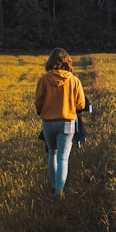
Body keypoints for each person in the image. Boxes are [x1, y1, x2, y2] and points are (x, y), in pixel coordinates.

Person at [34, 47, 86, 197]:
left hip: (48, 122)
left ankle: (54, 184)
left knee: (52, 153)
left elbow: (38, 101)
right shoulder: (74, 80)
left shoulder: (44, 79)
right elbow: (81, 104)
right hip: (67, 123)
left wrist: (41, 110)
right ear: (67, 61)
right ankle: (59, 192)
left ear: (50, 61)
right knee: (63, 158)